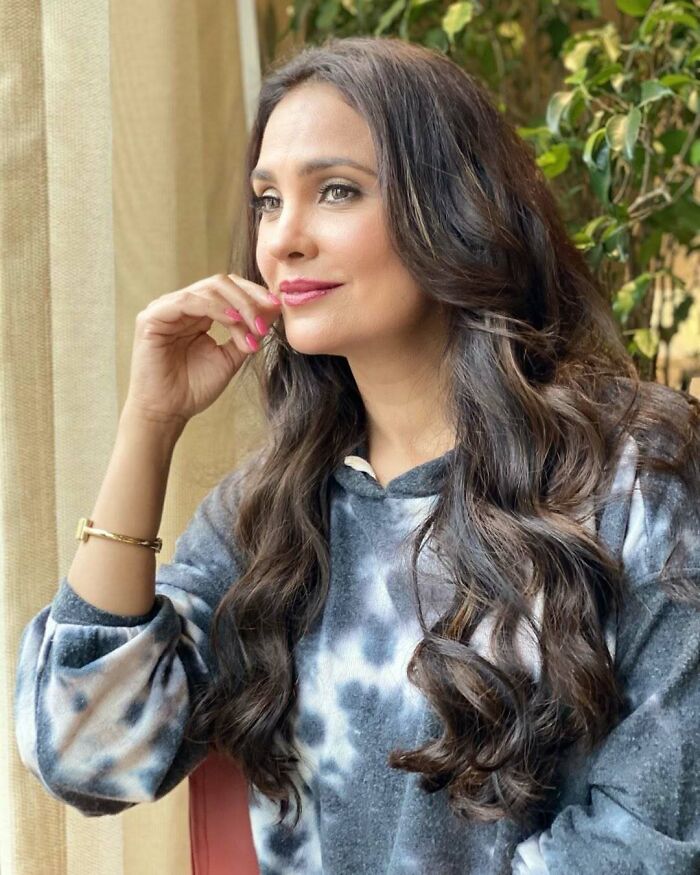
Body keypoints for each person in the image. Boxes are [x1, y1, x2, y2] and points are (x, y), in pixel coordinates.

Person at [14, 35, 700, 874]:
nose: (282, 239)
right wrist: (148, 424)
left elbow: (650, 836)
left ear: (452, 206)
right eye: (267, 201)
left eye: (335, 191)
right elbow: (89, 757)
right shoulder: (269, 516)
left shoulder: (632, 478)